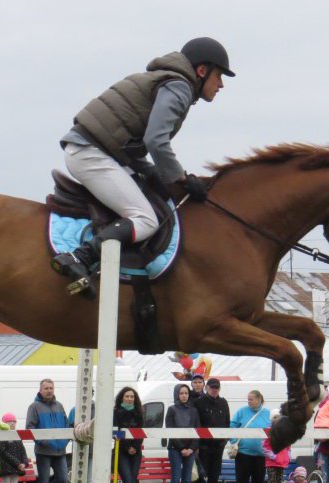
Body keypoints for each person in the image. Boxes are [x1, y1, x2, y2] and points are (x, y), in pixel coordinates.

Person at [51, 37, 234, 296]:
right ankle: (81, 257)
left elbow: (130, 140)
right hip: (92, 154)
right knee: (146, 220)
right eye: (219, 75)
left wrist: (151, 171)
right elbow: (156, 141)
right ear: (202, 71)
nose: (221, 84)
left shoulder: (169, 81)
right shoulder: (179, 87)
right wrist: (181, 179)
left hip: (96, 149)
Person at [27, 379, 70, 483]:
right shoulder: (34, 407)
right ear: (40, 390)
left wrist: (65, 440)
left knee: (63, 480)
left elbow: (67, 426)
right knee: (44, 481)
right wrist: (43, 441)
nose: (49, 390)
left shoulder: (60, 406)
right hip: (43, 451)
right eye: (46, 388)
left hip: (60, 450)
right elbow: (30, 428)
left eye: (51, 388)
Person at [229, 390, 271, 483]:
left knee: (258, 481)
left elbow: (273, 429)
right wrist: (234, 441)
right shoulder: (242, 411)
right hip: (243, 454)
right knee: (242, 481)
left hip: (260, 454)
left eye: (251, 399)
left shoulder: (267, 413)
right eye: (248, 399)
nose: (249, 401)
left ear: (258, 399)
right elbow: (232, 426)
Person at [192, 377, 230, 483]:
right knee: (201, 477)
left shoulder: (224, 403)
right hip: (203, 448)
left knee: (214, 477)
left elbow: (227, 423)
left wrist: (224, 441)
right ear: (207, 388)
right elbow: (196, 424)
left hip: (218, 448)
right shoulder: (198, 403)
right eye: (212, 387)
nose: (214, 390)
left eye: (217, 388)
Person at [165, 384, 199, 483]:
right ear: (177, 395)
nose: (184, 395)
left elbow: (198, 431)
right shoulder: (171, 410)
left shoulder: (193, 410)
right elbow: (170, 430)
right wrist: (182, 448)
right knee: (176, 478)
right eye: (181, 393)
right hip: (175, 448)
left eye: (186, 393)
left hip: (190, 449)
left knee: (187, 479)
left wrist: (191, 448)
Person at [114, 387, 145, 483]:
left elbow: (141, 433)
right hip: (121, 451)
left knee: (132, 481)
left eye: (132, 396)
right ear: (122, 397)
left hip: (136, 452)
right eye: (127, 396)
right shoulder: (116, 412)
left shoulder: (139, 413)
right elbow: (116, 432)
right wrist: (127, 448)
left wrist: (135, 448)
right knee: (128, 481)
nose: (129, 399)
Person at [262, 413, 291, 483]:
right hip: (272, 463)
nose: (277, 419)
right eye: (275, 417)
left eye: (279, 417)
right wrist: (274, 456)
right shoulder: (268, 431)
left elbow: (288, 446)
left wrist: (287, 456)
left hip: (281, 463)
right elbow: (264, 447)